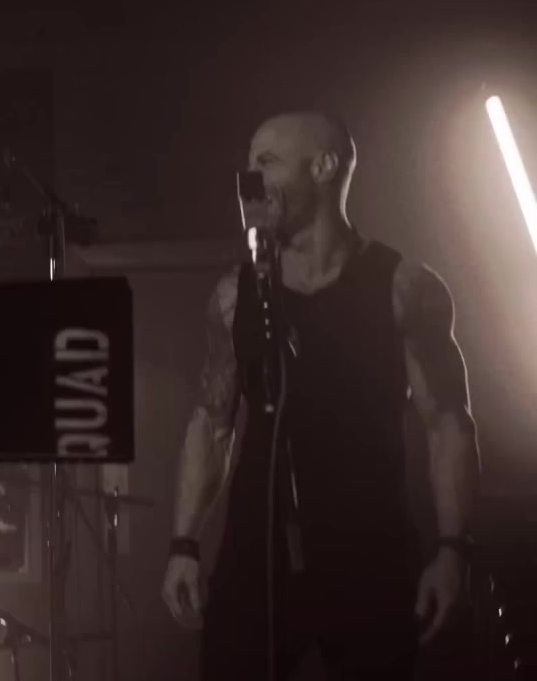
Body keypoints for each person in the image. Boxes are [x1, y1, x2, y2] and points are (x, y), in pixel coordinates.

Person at [160, 112, 480, 679]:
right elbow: (212, 422)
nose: (251, 178)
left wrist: (453, 548)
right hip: (258, 551)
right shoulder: (236, 295)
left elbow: (447, 424)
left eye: (267, 162)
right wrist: (183, 544)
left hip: (369, 547)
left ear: (325, 167)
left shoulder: (404, 287)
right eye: (249, 164)